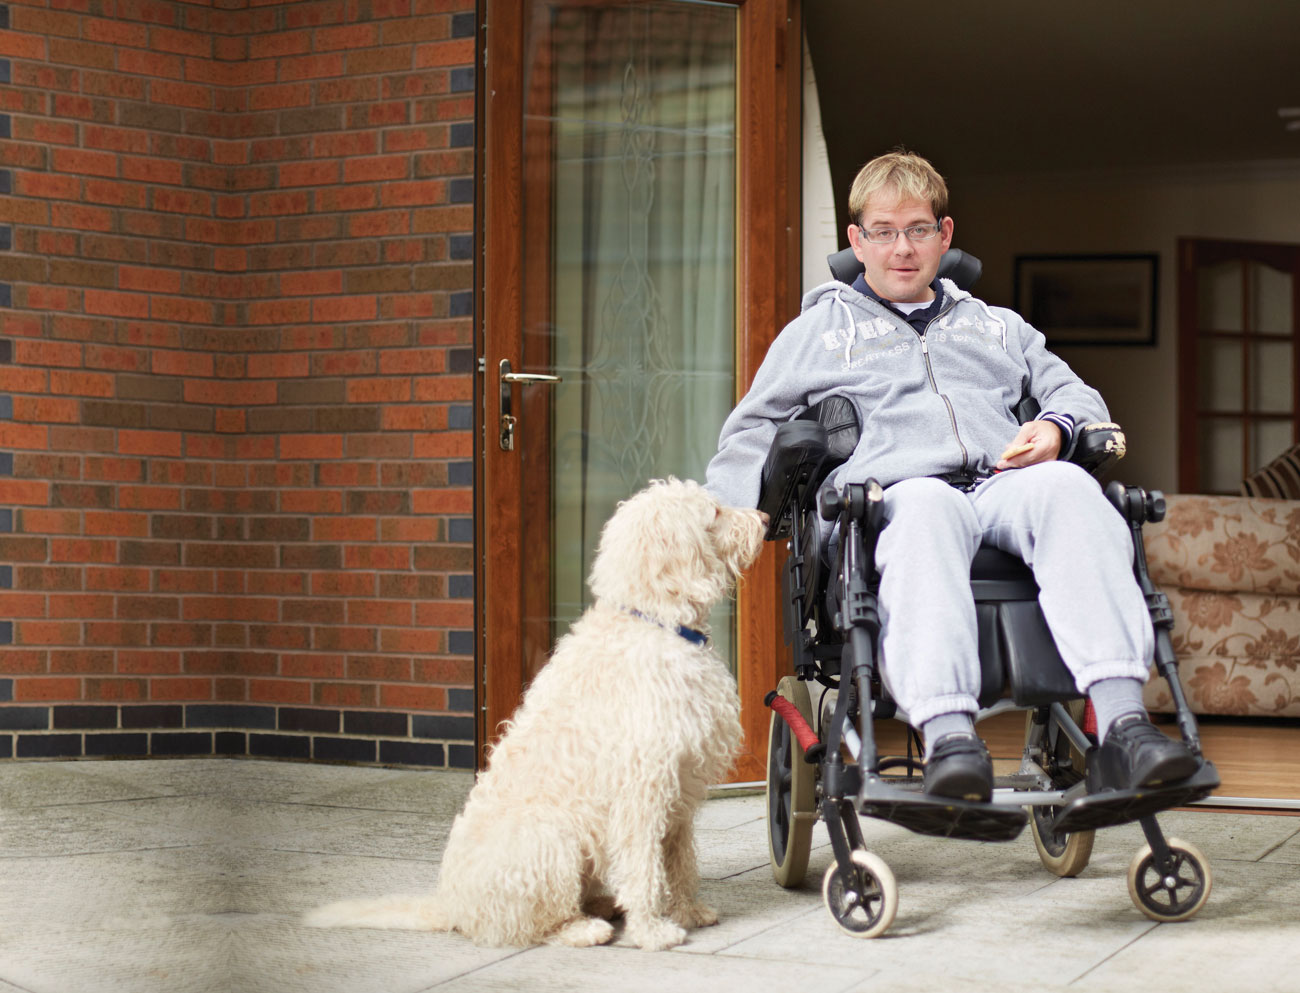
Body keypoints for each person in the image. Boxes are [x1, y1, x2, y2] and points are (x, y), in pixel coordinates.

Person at [705, 150, 1197, 803]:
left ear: (945, 234)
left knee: (1073, 489)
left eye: (918, 229)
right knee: (927, 507)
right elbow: (750, 431)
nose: (901, 248)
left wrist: (1055, 429)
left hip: (1000, 485)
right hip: (894, 496)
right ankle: (949, 737)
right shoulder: (819, 333)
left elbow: (1078, 398)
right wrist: (721, 525)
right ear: (857, 240)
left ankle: (1125, 723)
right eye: (883, 231)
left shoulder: (998, 327)